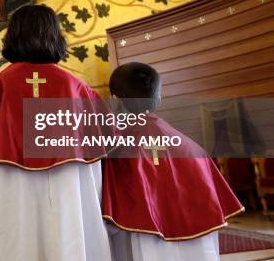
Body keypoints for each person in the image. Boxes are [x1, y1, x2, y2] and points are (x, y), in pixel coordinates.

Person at [0, 5, 114, 261]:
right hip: (70, 196)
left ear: (13, 37)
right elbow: (98, 159)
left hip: (12, 194)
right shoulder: (80, 89)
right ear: (55, 36)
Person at [102, 62, 244, 261]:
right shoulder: (194, 148)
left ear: (115, 100)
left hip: (146, 245)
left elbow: (110, 221)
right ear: (159, 98)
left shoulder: (117, 151)